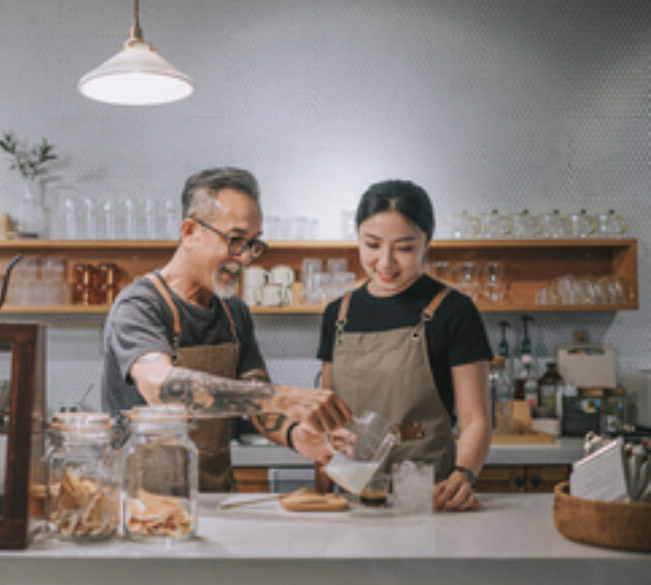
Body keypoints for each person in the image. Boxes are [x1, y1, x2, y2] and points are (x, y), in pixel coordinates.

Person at [101, 167, 352, 492]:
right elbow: (160, 387)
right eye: (235, 241)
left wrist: (296, 434)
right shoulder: (140, 305)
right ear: (190, 231)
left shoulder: (233, 312)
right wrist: (287, 396)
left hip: (215, 498)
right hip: (141, 505)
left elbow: (258, 400)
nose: (246, 259)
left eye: (253, 244)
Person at [316, 179, 493, 511]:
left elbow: (475, 419)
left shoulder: (454, 311)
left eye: (404, 247)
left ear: (427, 242)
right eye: (372, 244)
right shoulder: (337, 314)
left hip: (425, 490)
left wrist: (464, 473)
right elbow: (329, 416)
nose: (385, 262)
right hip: (348, 491)